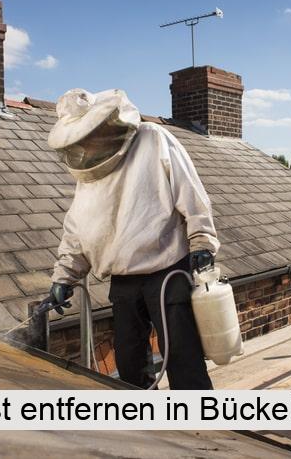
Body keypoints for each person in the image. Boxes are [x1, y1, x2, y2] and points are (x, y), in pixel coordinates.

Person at [42, 88, 219, 390]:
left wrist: (201, 240)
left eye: (91, 135)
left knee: (182, 358)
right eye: (81, 141)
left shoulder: (153, 138)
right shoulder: (89, 174)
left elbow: (190, 191)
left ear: (109, 124)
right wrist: (63, 278)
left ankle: (203, 428)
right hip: (123, 280)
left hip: (167, 270)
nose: (87, 145)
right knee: (128, 362)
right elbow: (79, 230)